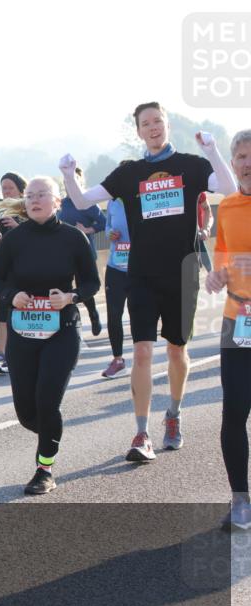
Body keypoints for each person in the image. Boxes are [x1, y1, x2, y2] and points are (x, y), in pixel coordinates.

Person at [60, 101, 237, 461]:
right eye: (146, 123)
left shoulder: (191, 164)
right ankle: (141, 433)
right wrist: (67, 173)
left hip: (182, 274)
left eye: (158, 121)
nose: (153, 127)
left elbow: (230, 189)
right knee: (141, 350)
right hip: (139, 275)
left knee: (176, 350)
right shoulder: (129, 173)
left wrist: (213, 151)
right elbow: (80, 198)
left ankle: (172, 415)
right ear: (138, 131)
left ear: (166, 126)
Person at [0, 176, 100, 494]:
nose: (35, 200)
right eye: (30, 195)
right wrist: (12, 295)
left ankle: (44, 469)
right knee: (27, 411)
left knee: (47, 402)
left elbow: (92, 283)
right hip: (22, 331)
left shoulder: (72, 238)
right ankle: (52, 432)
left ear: (57, 202)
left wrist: (70, 298)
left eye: (42, 195)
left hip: (61, 330)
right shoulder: (14, 239)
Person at [206, 129, 251, 530]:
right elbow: (223, 260)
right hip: (239, 321)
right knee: (234, 412)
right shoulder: (230, 208)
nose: (247, 163)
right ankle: (241, 499)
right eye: (241, 156)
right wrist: (216, 277)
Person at [58, 168, 106, 336]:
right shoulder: (61, 203)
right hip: (62, 252)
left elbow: (104, 222)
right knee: (62, 287)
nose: (70, 185)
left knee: (83, 287)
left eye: (74, 181)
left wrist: (88, 229)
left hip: (83, 251)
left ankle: (93, 314)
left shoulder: (87, 203)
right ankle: (67, 322)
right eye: (67, 182)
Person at [0, 171, 28, 373]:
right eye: (3, 188)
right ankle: (1, 354)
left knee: (21, 307)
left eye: (10, 187)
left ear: (20, 189)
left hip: (26, 264)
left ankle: (20, 351)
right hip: (5, 263)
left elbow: (36, 232)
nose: (6, 191)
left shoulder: (28, 205)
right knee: (2, 306)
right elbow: (2, 230)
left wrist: (18, 225)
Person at [102, 192, 131, 379]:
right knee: (114, 314)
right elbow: (107, 227)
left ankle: (144, 356)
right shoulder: (112, 202)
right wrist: (110, 233)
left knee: (138, 314)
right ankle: (118, 359)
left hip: (139, 268)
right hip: (115, 266)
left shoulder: (141, 199)